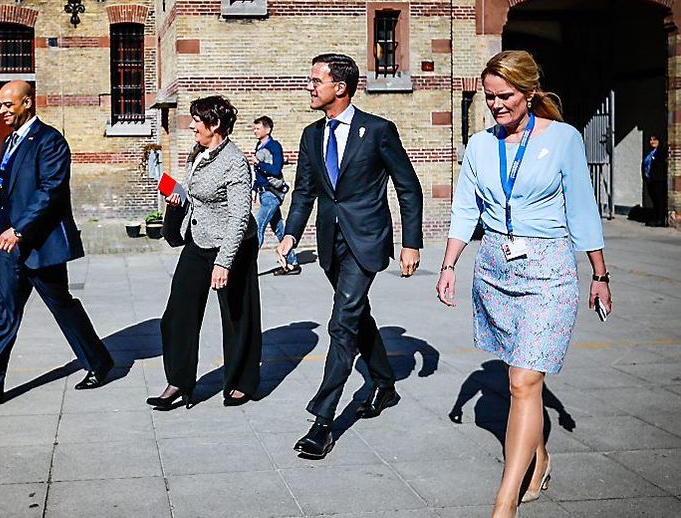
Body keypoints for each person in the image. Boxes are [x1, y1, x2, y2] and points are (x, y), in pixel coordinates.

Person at [435, 50, 612, 518]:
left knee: (522, 379)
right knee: (522, 382)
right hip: (495, 266)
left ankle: (503, 502)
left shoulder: (564, 140)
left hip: (550, 269)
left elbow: (582, 211)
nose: (496, 105)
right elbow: (465, 211)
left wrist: (599, 272)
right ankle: (540, 460)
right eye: (489, 97)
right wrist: (450, 265)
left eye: (505, 96)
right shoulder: (479, 146)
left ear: (530, 92)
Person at [277, 53, 423, 458]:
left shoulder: (378, 131)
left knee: (341, 325)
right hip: (331, 242)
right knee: (357, 315)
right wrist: (290, 234)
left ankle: (323, 422)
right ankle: (385, 385)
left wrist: (412, 243)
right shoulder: (311, 135)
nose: (309, 87)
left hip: (367, 239)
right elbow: (305, 190)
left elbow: (408, 187)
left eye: (314, 81)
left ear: (339, 87)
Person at [0, 80, 114, 410]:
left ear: (28, 103)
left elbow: (50, 192)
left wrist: (19, 230)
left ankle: (99, 363)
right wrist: (1, 234)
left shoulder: (50, 141)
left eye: (8, 105)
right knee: (4, 314)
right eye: (0, 105)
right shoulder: (9, 142)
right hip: (8, 248)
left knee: (62, 306)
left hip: (40, 245)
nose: (2, 111)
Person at [147, 95, 262, 409]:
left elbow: (239, 216)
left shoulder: (235, 161)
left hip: (232, 246)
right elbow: (198, 198)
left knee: (238, 315)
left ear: (216, 124)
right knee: (177, 315)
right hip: (199, 241)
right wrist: (176, 198)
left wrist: (224, 263)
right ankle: (179, 382)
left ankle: (242, 382)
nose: (192, 125)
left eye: (198, 120)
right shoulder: (198, 152)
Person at [249, 115, 300, 275]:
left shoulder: (274, 146)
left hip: (273, 193)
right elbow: (259, 174)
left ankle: (247, 267)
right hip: (265, 193)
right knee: (278, 228)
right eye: (254, 128)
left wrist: (259, 163)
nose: (254, 131)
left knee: (258, 227)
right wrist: (255, 188)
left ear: (267, 129)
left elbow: (276, 170)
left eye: (258, 128)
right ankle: (292, 263)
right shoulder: (259, 145)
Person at [643, 133, 667, 227]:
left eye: (654, 140)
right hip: (650, 180)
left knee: (659, 200)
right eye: (651, 140)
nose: (652, 142)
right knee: (654, 200)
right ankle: (656, 218)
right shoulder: (650, 152)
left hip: (658, 180)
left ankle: (660, 220)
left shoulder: (661, 152)